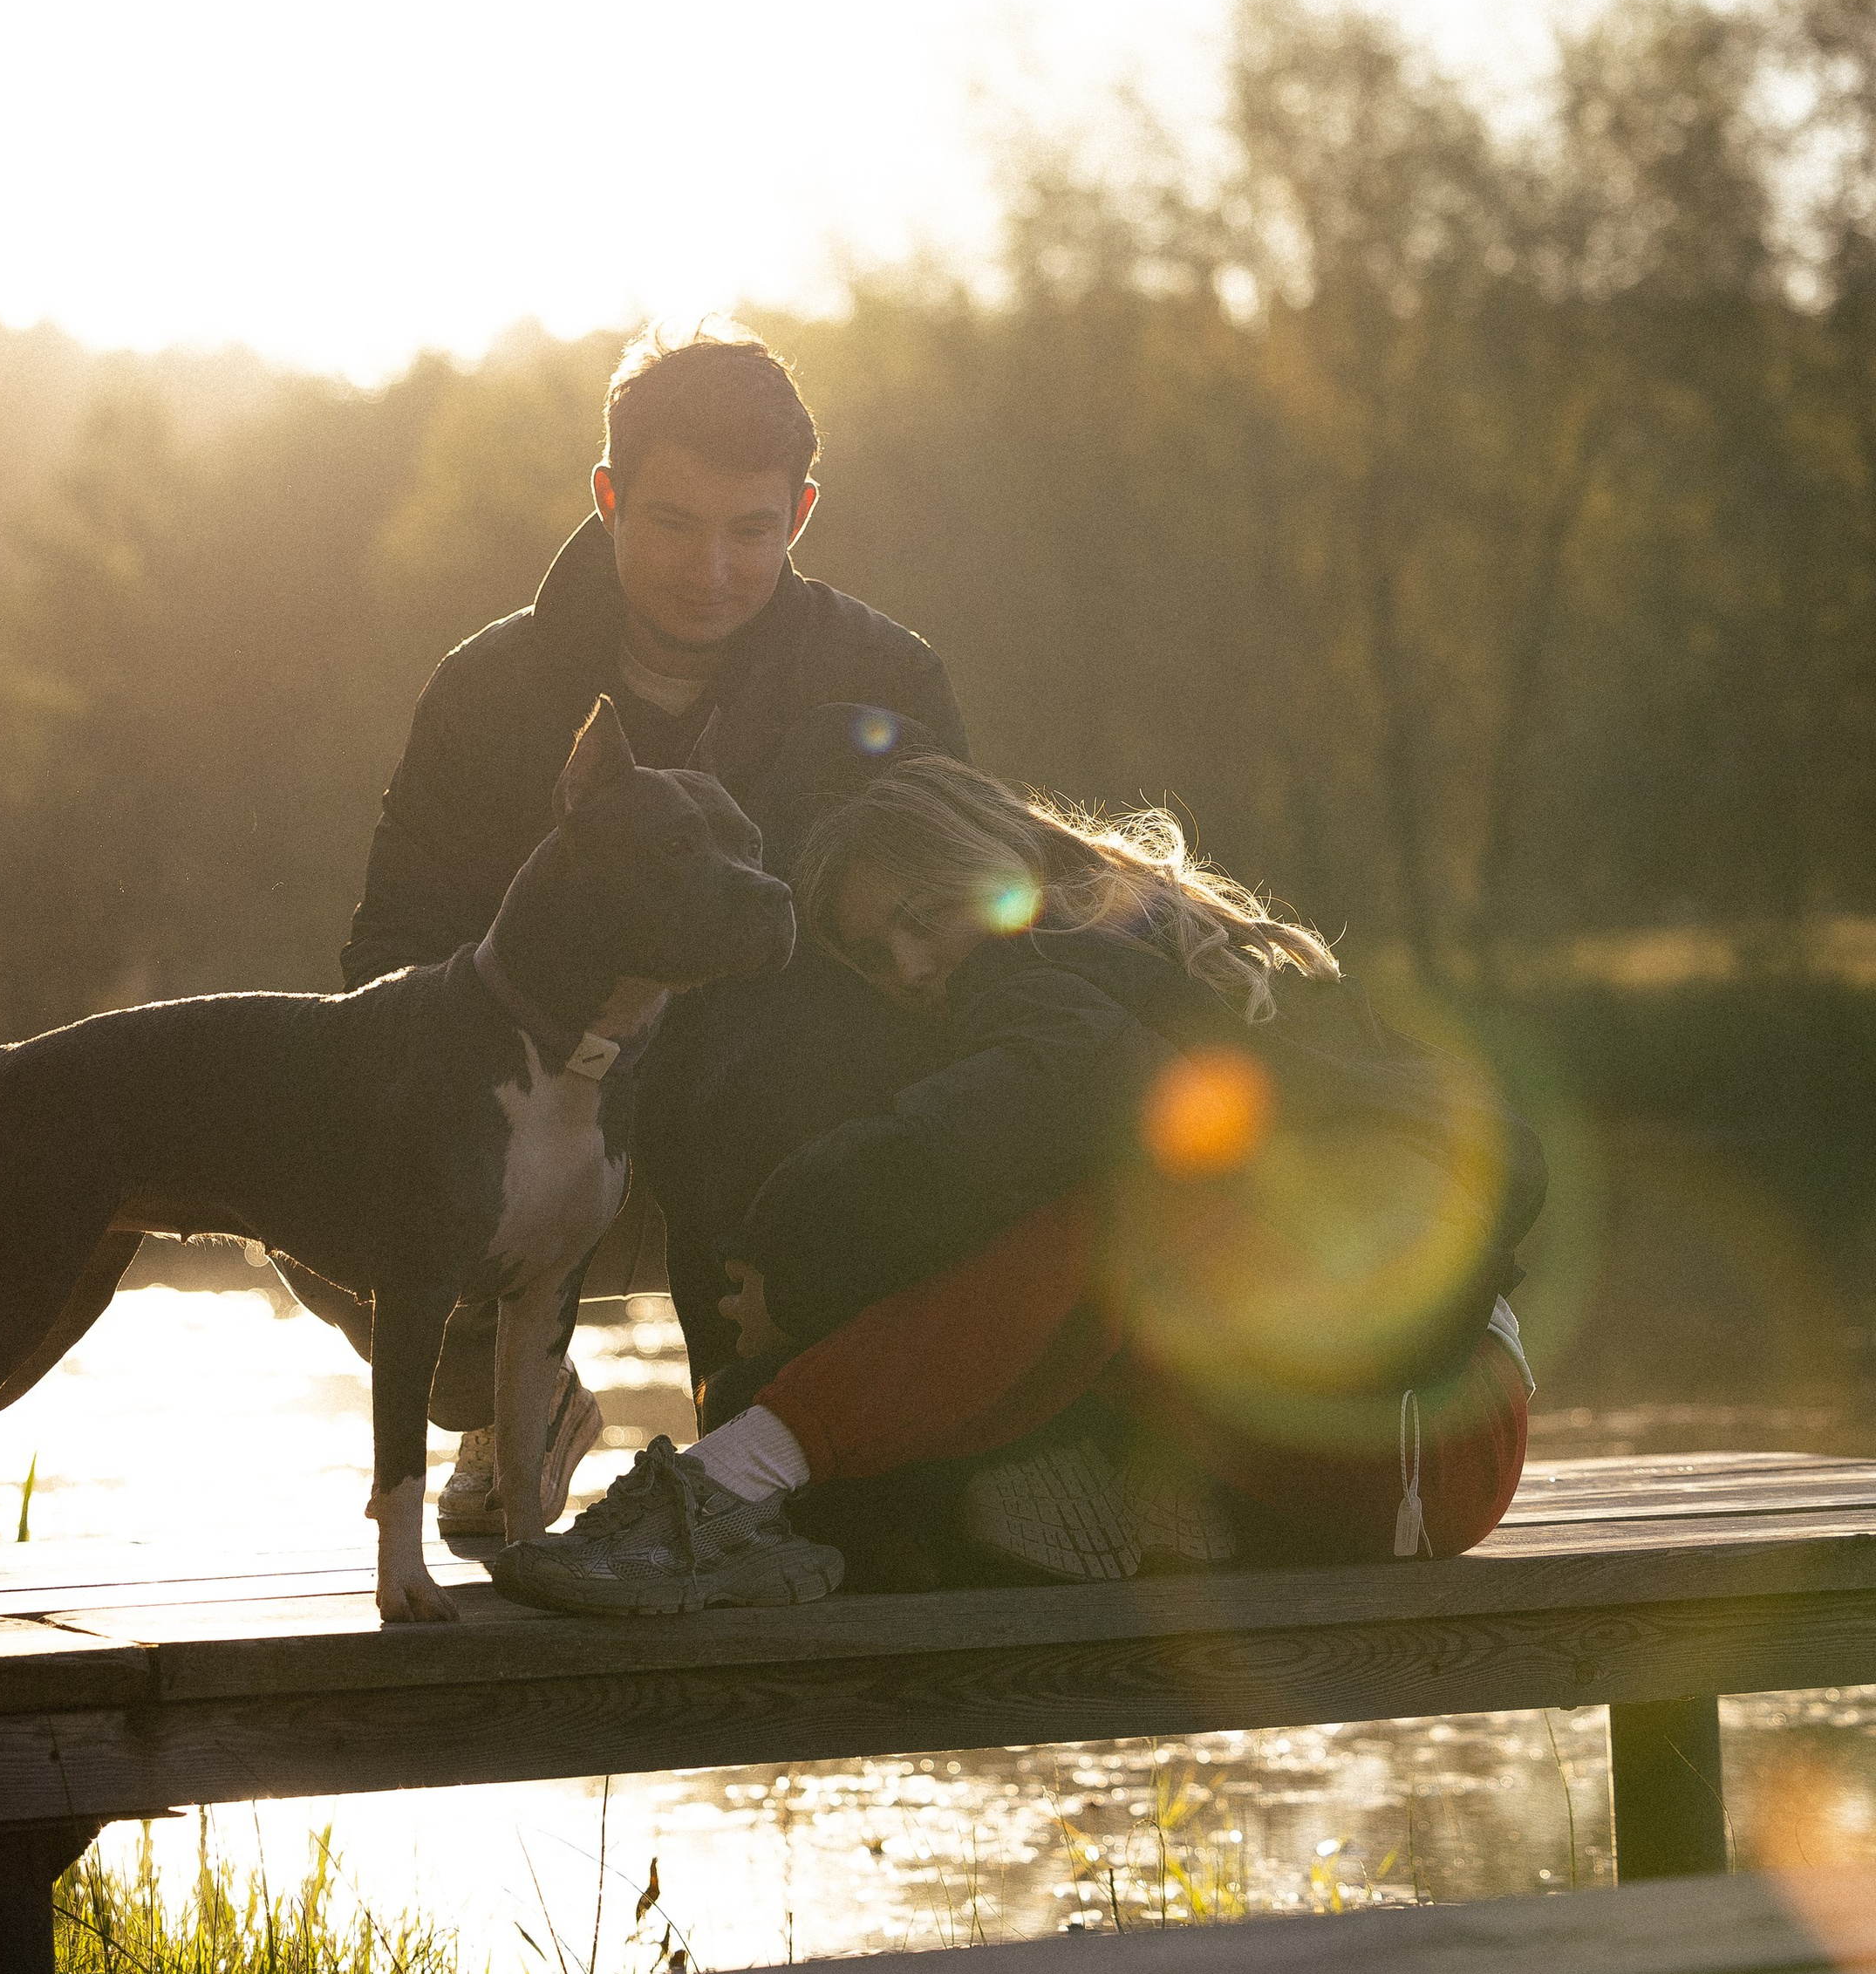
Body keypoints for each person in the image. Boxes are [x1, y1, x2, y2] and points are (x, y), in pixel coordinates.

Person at [491, 755, 1545, 1615]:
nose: (905, 963)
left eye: (924, 912)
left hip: (1419, 1435)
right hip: (1366, 1438)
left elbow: (1001, 1127)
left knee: (1099, 1204)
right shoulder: (1131, 970)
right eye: (871, 949)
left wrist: (787, 1260)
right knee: (1071, 1199)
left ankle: (729, 1484)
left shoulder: (1054, 975)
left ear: (1000, 871)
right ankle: (1117, 1507)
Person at [332, 326, 966, 1541]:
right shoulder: (487, 689)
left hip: (774, 1110)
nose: (712, 570)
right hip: (537, 1114)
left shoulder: (890, 678)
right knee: (311, 1168)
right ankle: (501, 1403)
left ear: (803, 514)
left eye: (751, 530)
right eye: (672, 522)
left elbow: (975, 929)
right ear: (607, 497)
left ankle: (762, 1463)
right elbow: (393, 953)